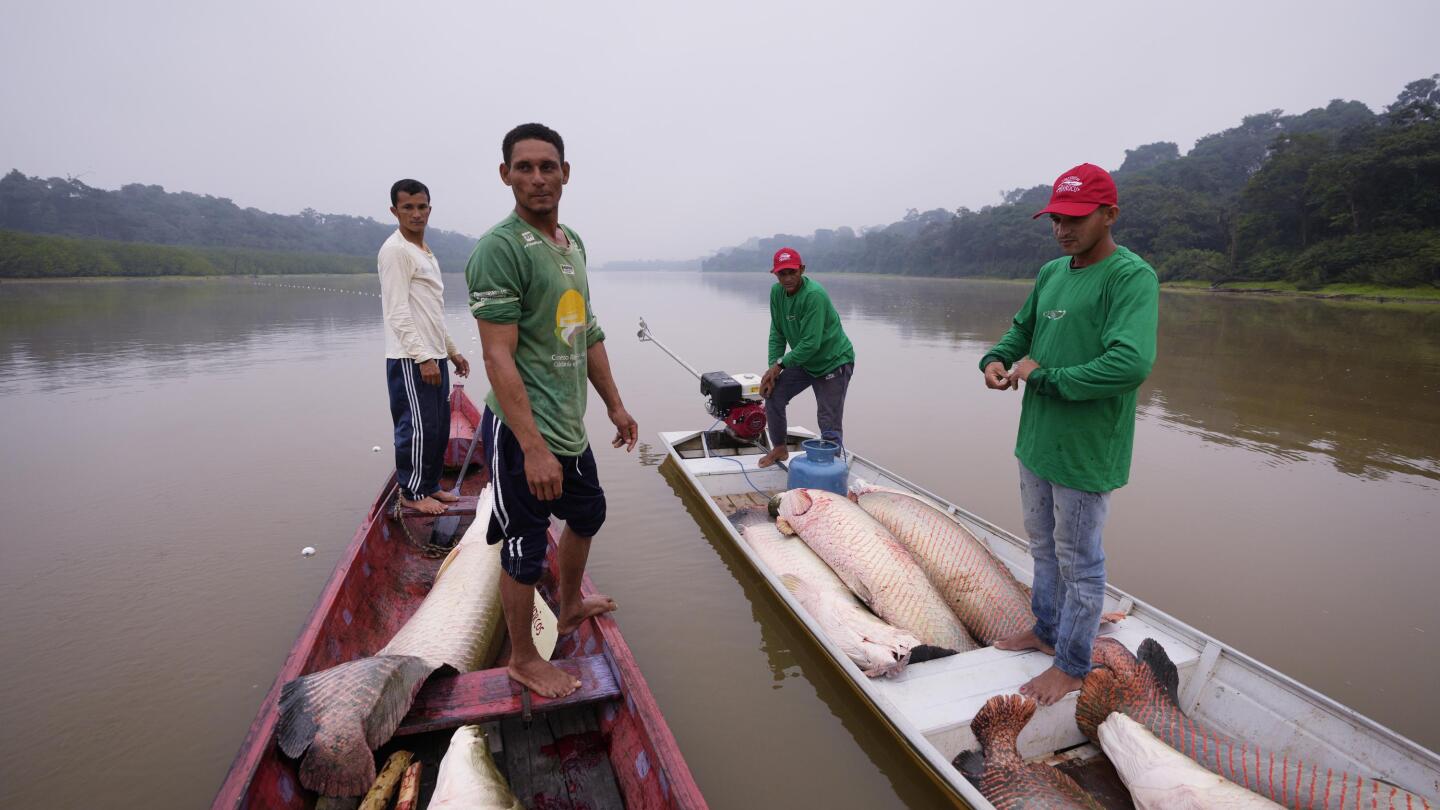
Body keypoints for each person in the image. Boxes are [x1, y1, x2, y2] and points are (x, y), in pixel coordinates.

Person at [466, 123, 638, 699]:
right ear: (505, 174)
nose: (537, 178)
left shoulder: (572, 244)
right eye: (524, 167)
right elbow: (497, 355)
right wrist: (533, 446)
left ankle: (565, 608)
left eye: (548, 166)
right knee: (523, 546)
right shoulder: (501, 249)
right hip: (522, 432)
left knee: (587, 513)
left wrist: (615, 405)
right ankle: (521, 659)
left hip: (569, 426)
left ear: (566, 172)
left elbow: (585, 330)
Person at [980, 163, 1158, 706]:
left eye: (1076, 218)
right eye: (1056, 218)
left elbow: (1129, 364)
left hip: (1084, 451)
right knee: (1041, 545)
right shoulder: (1052, 272)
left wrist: (1045, 377)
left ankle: (1074, 664)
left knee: (1080, 561)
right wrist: (998, 357)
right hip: (1036, 441)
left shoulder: (1130, 277)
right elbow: (1023, 329)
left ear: (1109, 215)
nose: (1063, 228)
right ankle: (1046, 627)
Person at [379, 178, 470, 516]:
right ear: (395, 211)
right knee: (416, 427)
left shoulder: (425, 252)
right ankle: (412, 492)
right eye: (408, 208)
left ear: (429, 209)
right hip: (410, 358)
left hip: (432, 356)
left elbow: (432, 313)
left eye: (421, 207)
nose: (416, 214)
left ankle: (430, 485)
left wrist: (451, 351)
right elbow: (398, 312)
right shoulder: (395, 251)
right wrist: (422, 358)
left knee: (438, 426)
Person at [757, 247, 856, 468]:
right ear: (775, 274)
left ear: (802, 270)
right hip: (804, 361)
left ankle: (832, 468)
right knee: (773, 394)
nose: (788, 278)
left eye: (792, 272)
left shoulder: (814, 295)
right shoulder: (777, 293)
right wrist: (773, 367)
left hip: (833, 361)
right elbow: (777, 332)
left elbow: (811, 344)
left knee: (828, 420)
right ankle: (780, 448)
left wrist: (781, 364)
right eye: (782, 274)